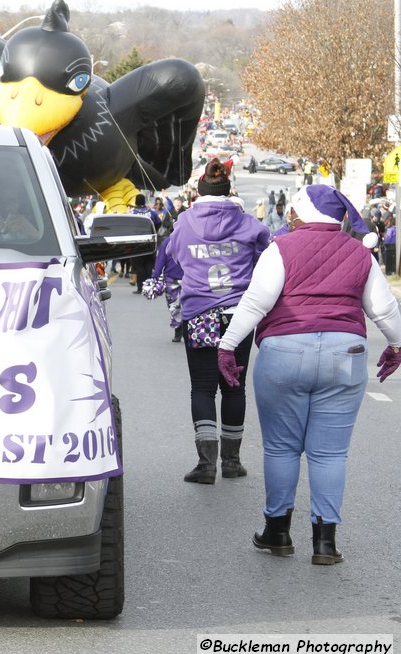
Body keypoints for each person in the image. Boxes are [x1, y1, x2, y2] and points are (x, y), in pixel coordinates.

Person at [216, 184, 401, 565]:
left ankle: (278, 531)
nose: (289, 216)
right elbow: (383, 309)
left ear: (304, 213)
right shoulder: (359, 254)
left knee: (282, 448)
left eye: (294, 210)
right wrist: (397, 345)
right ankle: (325, 543)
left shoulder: (281, 249)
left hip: (285, 352)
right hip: (345, 354)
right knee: (330, 453)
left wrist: (227, 345)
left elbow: (256, 302)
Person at [166, 158, 270, 484]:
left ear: (200, 191)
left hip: (199, 314)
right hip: (238, 314)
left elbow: (174, 256)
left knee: (202, 388)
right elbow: (267, 259)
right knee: (234, 388)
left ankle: (206, 465)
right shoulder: (250, 224)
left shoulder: (184, 223)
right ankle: (232, 461)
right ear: (228, 190)